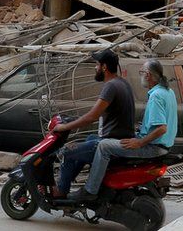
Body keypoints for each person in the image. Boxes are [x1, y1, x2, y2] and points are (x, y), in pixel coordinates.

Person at [71, 58, 177, 201]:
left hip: (153, 147)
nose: (141, 77)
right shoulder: (168, 91)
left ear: (148, 75)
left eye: (141, 73)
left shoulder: (156, 96)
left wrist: (139, 143)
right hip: (163, 146)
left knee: (103, 146)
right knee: (101, 141)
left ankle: (90, 190)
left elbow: (162, 128)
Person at [51, 48, 135, 197]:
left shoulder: (110, 86)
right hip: (118, 138)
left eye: (96, 65)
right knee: (88, 139)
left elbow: (91, 117)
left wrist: (64, 126)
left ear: (104, 67)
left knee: (66, 151)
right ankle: (69, 185)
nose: (95, 68)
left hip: (110, 142)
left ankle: (61, 191)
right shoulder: (122, 83)